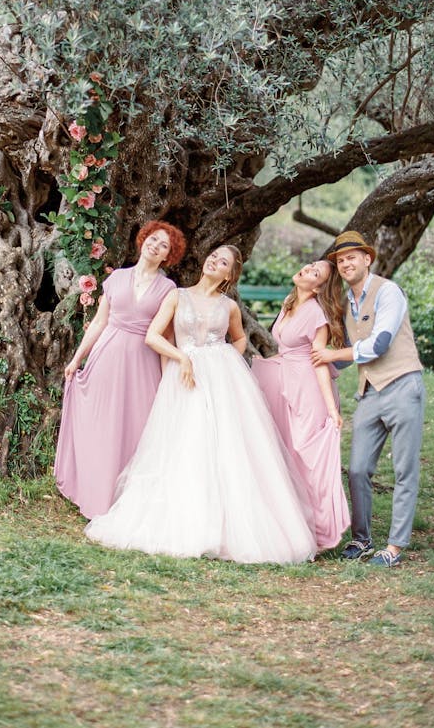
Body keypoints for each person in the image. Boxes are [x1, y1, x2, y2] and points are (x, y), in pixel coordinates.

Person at [85, 246, 317, 564]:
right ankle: (187, 520)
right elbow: (153, 336)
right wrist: (182, 356)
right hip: (184, 375)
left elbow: (239, 340)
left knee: (228, 446)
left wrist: (225, 361)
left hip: (223, 380)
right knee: (187, 442)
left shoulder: (229, 306)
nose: (213, 261)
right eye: (213, 256)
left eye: (223, 262)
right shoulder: (177, 296)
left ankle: (231, 526)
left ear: (229, 275)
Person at [54, 220, 186, 519]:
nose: (156, 246)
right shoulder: (116, 279)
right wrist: (77, 359)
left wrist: (167, 379)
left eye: (164, 245)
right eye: (153, 239)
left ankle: (125, 500)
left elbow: (166, 336)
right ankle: (94, 493)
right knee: (102, 425)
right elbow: (100, 322)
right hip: (107, 356)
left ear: (169, 255)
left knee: (134, 428)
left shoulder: (168, 289)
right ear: (143, 241)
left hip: (142, 363)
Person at [311, 230, 426, 568]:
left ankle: (394, 547)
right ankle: (361, 540)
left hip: (403, 385)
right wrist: (315, 370)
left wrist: (331, 355)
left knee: (404, 469)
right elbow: (348, 358)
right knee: (358, 469)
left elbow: (379, 344)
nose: (346, 263)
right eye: (340, 260)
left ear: (367, 259)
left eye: (352, 257)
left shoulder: (388, 292)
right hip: (369, 392)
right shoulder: (347, 303)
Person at [251, 259, 350, 553]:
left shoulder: (316, 316)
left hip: (308, 387)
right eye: (310, 266)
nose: (307, 269)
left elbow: (319, 361)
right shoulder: (289, 301)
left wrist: (332, 411)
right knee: (287, 453)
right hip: (284, 380)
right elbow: (285, 347)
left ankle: (320, 533)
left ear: (318, 286)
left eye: (315, 272)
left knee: (307, 456)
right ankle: (293, 526)